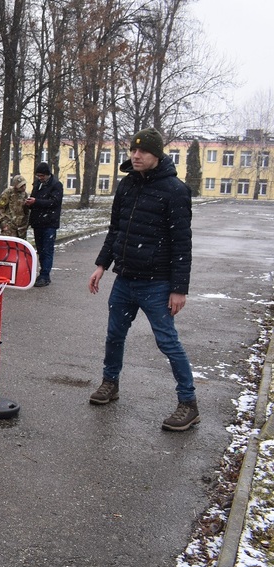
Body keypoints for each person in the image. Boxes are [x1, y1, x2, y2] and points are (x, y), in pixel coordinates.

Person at [88, 128, 198, 432]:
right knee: (114, 335)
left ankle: (188, 403)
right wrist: (101, 265)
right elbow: (116, 230)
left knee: (167, 342)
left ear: (157, 155)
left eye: (144, 152)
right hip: (125, 279)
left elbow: (182, 243)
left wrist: (179, 289)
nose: (136, 156)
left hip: (157, 284)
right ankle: (111, 383)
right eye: (133, 151)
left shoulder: (175, 190)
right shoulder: (127, 186)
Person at [25, 161, 62, 287]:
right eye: (38, 176)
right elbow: (35, 199)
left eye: (42, 176)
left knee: (47, 250)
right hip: (38, 222)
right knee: (41, 250)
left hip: (49, 223)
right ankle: (43, 273)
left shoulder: (56, 185)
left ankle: (45, 275)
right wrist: (30, 203)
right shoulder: (37, 185)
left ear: (48, 174)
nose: (40, 178)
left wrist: (36, 202)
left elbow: (54, 202)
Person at [0, 175, 30, 239]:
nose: (23, 187)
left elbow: (26, 211)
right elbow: (0, 207)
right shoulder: (8, 192)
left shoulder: (24, 194)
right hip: (9, 226)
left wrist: (26, 224)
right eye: (21, 186)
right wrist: (3, 223)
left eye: (24, 185)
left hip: (21, 227)